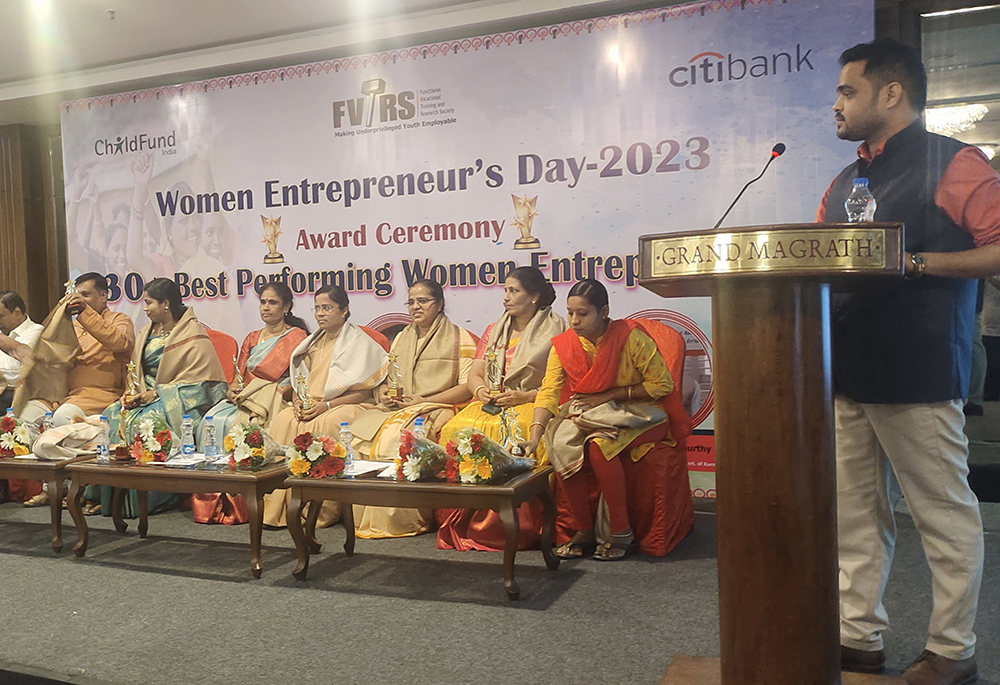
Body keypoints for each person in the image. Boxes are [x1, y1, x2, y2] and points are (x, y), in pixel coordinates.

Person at [818, 39, 1000, 684]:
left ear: (890, 93)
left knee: (943, 516)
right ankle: (857, 637)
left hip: (919, 373)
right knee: (856, 518)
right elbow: (819, 264)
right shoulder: (845, 180)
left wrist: (916, 264)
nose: (835, 104)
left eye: (847, 91)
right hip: (848, 375)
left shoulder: (955, 163)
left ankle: (953, 651)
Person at [522, 279, 675, 561]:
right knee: (560, 442)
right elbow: (549, 391)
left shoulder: (631, 338)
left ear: (604, 311)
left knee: (599, 447)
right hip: (591, 413)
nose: (574, 321)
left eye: (583, 313)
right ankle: (584, 532)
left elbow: (662, 385)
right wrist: (535, 434)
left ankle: (621, 533)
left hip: (641, 414)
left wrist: (610, 395)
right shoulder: (565, 345)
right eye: (569, 313)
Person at [435, 266, 566, 551]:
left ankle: (514, 527)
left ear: (534, 296)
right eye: (505, 290)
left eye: (513, 291)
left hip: (532, 401)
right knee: (456, 428)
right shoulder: (495, 329)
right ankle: (463, 522)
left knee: (514, 430)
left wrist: (525, 396)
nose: (505, 297)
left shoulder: (557, 329)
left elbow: (560, 383)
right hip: (490, 401)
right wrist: (481, 391)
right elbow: (475, 374)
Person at [350, 279, 476, 539]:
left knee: (397, 438)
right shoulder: (401, 338)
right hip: (402, 406)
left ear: (440, 304)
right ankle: (366, 518)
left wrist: (426, 401)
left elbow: (467, 387)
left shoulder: (458, 337)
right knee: (359, 434)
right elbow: (388, 381)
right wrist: (384, 394)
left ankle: (406, 520)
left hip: (438, 405)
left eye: (423, 301)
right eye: (411, 302)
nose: (415, 307)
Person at [93, 278, 228, 518]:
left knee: (143, 422)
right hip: (145, 395)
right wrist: (132, 392)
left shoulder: (192, 333)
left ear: (166, 304)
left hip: (178, 399)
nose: (144, 308)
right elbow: (136, 370)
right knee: (112, 414)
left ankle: (151, 496)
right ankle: (110, 496)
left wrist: (155, 394)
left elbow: (202, 384)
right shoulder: (146, 332)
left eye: (149, 302)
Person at [262, 284, 387, 529]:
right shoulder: (310, 344)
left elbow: (363, 391)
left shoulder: (359, 342)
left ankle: (321, 510)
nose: (320, 314)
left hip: (346, 403)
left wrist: (327, 404)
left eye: (327, 308)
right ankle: (278, 508)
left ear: (344, 311)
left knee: (327, 422)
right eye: (317, 308)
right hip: (312, 404)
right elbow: (300, 384)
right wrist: (298, 401)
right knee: (285, 419)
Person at [192, 282, 308, 525]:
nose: (266, 308)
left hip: (276, 397)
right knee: (212, 420)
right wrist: (234, 390)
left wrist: (279, 391)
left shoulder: (297, 337)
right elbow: (238, 376)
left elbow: (301, 379)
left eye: (272, 302)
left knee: (243, 424)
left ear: (286, 307)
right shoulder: (253, 337)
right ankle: (212, 504)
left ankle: (241, 505)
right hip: (247, 397)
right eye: (263, 302)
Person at [18, 273, 135, 507]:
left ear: (104, 296)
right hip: (64, 395)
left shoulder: (120, 320)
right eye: (77, 294)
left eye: (86, 295)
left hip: (98, 394)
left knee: (63, 417)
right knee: (24, 417)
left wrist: (85, 313)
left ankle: (75, 488)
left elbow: (121, 343)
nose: (78, 299)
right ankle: (50, 483)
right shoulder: (73, 326)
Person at [0, 290, 43, 504]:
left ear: (17, 313)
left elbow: (17, 369)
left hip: (22, 392)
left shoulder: (36, 332)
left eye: (0, 316)